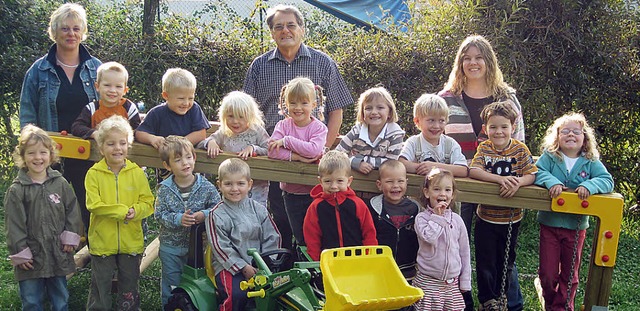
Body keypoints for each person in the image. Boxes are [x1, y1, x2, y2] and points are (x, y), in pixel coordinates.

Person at [243, 3, 353, 254]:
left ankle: (314, 272)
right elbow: (248, 111)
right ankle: (285, 269)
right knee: (280, 218)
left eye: (291, 25)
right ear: (272, 32)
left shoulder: (323, 63)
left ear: (302, 29)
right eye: (278, 26)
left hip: (314, 161)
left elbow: (336, 109)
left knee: (315, 223)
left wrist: (322, 150)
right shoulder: (259, 66)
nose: (285, 31)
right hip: (274, 153)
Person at [439, 34, 525, 310]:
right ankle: (459, 301)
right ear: (459, 62)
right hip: (457, 182)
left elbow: (520, 141)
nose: (472, 63)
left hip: (500, 182)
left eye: (478, 57)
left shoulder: (506, 98)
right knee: (454, 242)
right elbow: (436, 138)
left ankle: (509, 302)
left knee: (502, 248)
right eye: (467, 58)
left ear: (489, 61)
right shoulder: (447, 98)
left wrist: (516, 178)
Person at [19, 2, 102, 248]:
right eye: (65, 29)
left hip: (88, 150)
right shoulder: (38, 70)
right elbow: (27, 113)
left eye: (76, 28)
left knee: (88, 201)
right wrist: (30, 148)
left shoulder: (96, 68)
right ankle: (52, 254)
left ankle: (95, 253)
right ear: (54, 32)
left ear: (83, 32)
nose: (71, 34)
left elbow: (112, 106)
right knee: (51, 204)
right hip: (51, 151)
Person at [534, 112, 614, 311]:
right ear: (557, 137)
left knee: (570, 273)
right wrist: (552, 182)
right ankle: (550, 300)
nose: (571, 135)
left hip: (575, 227)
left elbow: (607, 180)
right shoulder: (551, 158)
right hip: (550, 224)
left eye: (576, 132)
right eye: (565, 131)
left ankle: (563, 306)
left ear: (584, 138)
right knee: (548, 272)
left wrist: (590, 185)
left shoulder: (590, 161)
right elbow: (537, 172)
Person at [468, 101, 537, 311]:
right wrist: (500, 180)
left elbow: (531, 174)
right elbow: (474, 171)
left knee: (506, 261)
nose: (499, 132)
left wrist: (518, 182)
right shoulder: (485, 148)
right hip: (486, 218)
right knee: (485, 261)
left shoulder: (519, 149)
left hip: (511, 218)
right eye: (493, 127)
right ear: (485, 129)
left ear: (513, 127)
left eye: (504, 127)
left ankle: (503, 298)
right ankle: (488, 300)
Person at [4, 125, 82, 311]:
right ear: (23, 156)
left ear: (51, 155)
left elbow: (72, 210)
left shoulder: (60, 183)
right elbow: (13, 224)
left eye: (42, 152)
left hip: (57, 251)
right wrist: (20, 252)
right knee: (31, 300)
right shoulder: (17, 190)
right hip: (31, 256)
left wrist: (71, 236)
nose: (37, 158)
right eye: (31, 153)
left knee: (60, 299)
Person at [84, 115, 155, 310]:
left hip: (130, 241)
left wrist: (136, 211)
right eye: (111, 144)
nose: (117, 148)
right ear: (101, 148)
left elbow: (148, 203)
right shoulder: (94, 173)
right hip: (102, 242)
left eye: (122, 143)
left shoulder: (137, 173)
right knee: (100, 285)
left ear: (128, 145)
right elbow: (93, 204)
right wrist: (123, 211)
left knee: (129, 284)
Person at [70, 61, 141, 234]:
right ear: (97, 86)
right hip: (97, 166)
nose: (112, 90)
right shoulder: (92, 108)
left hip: (123, 165)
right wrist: (94, 133)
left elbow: (138, 130)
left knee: (124, 198)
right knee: (98, 200)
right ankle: (93, 236)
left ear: (125, 89)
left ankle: (126, 234)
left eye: (118, 86)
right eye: (107, 85)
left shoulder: (128, 107)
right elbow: (76, 127)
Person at [205, 158, 281, 311]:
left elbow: (272, 237)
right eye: (228, 184)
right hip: (229, 266)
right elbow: (220, 248)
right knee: (238, 295)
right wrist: (242, 267)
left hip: (260, 264)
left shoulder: (259, 209)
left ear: (249, 184)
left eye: (240, 183)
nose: (234, 189)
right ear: (219, 185)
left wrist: (267, 263)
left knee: (276, 292)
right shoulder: (216, 215)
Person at [155, 136, 222, 308]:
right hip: (172, 248)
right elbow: (159, 215)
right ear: (167, 166)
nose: (185, 163)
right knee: (172, 285)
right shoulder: (165, 189)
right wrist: (178, 219)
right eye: (178, 160)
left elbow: (219, 209)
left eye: (188, 157)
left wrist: (204, 215)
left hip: (200, 249)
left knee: (200, 285)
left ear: (194, 158)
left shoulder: (206, 187)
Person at [268, 77, 328, 247]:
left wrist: (287, 142)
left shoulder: (318, 128)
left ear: (313, 105)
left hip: (314, 192)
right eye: (293, 103)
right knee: (299, 234)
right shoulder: (283, 125)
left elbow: (314, 150)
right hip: (290, 193)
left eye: (304, 103)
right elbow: (272, 150)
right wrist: (298, 158)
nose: (298, 108)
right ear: (285, 104)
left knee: (316, 234)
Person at [197, 91, 270, 206]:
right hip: (231, 188)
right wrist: (210, 142)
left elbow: (270, 149)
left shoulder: (257, 131)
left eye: (241, 117)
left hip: (255, 188)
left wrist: (254, 149)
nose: (235, 121)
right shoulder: (224, 132)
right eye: (230, 116)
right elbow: (202, 143)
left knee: (253, 216)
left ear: (250, 116)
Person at [303, 150, 377, 261]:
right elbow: (312, 238)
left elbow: (369, 233)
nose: (334, 186)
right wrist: (316, 262)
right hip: (328, 262)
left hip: (357, 261)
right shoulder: (316, 207)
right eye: (328, 181)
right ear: (320, 181)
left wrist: (370, 257)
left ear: (349, 181)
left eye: (339, 181)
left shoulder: (358, 204)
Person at [413, 168, 471, 311]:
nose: (442, 194)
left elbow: (464, 252)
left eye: (447, 190)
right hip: (428, 282)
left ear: (452, 194)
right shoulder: (422, 219)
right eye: (437, 189)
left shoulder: (457, 220)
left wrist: (465, 281)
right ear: (427, 192)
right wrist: (438, 218)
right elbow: (429, 238)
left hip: (451, 284)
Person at [367, 159, 421, 281]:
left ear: (406, 183)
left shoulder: (415, 209)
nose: (395, 186)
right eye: (390, 182)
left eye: (400, 181)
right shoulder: (374, 208)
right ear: (379, 184)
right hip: (380, 267)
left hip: (408, 268)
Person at [335, 86, 405, 175]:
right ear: (362, 113)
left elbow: (391, 162)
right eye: (368, 108)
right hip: (356, 180)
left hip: (385, 182)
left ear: (390, 113)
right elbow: (338, 154)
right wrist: (356, 163)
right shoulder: (357, 131)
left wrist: (360, 158)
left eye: (380, 107)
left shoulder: (395, 134)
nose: (374, 112)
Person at [135, 68, 210, 149]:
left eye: (191, 98)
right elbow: (139, 133)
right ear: (166, 96)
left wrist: (179, 145)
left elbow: (200, 134)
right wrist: (152, 139)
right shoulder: (157, 113)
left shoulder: (194, 109)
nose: (186, 103)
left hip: (189, 159)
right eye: (181, 98)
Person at [400, 93, 468, 178]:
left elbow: (463, 170)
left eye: (441, 121)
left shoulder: (450, 144)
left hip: (443, 190)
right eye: (431, 120)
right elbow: (401, 163)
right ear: (417, 121)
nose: (436, 126)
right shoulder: (413, 142)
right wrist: (424, 168)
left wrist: (435, 168)